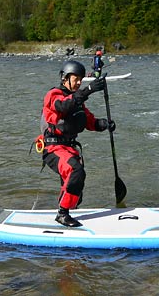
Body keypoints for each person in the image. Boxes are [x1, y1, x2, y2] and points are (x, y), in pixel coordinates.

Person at [40, 60, 116, 228]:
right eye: (76, 79)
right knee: (75, 170)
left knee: (76, 182)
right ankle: (62, 214)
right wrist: (88, 90)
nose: (80, 82)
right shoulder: (53, 95)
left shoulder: (78, 102)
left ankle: (65, 206)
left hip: (69, 149)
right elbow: (63, 105)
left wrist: (105, 124)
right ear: (65, 78)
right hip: (53, 148)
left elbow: (90, 122)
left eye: (82, 79)